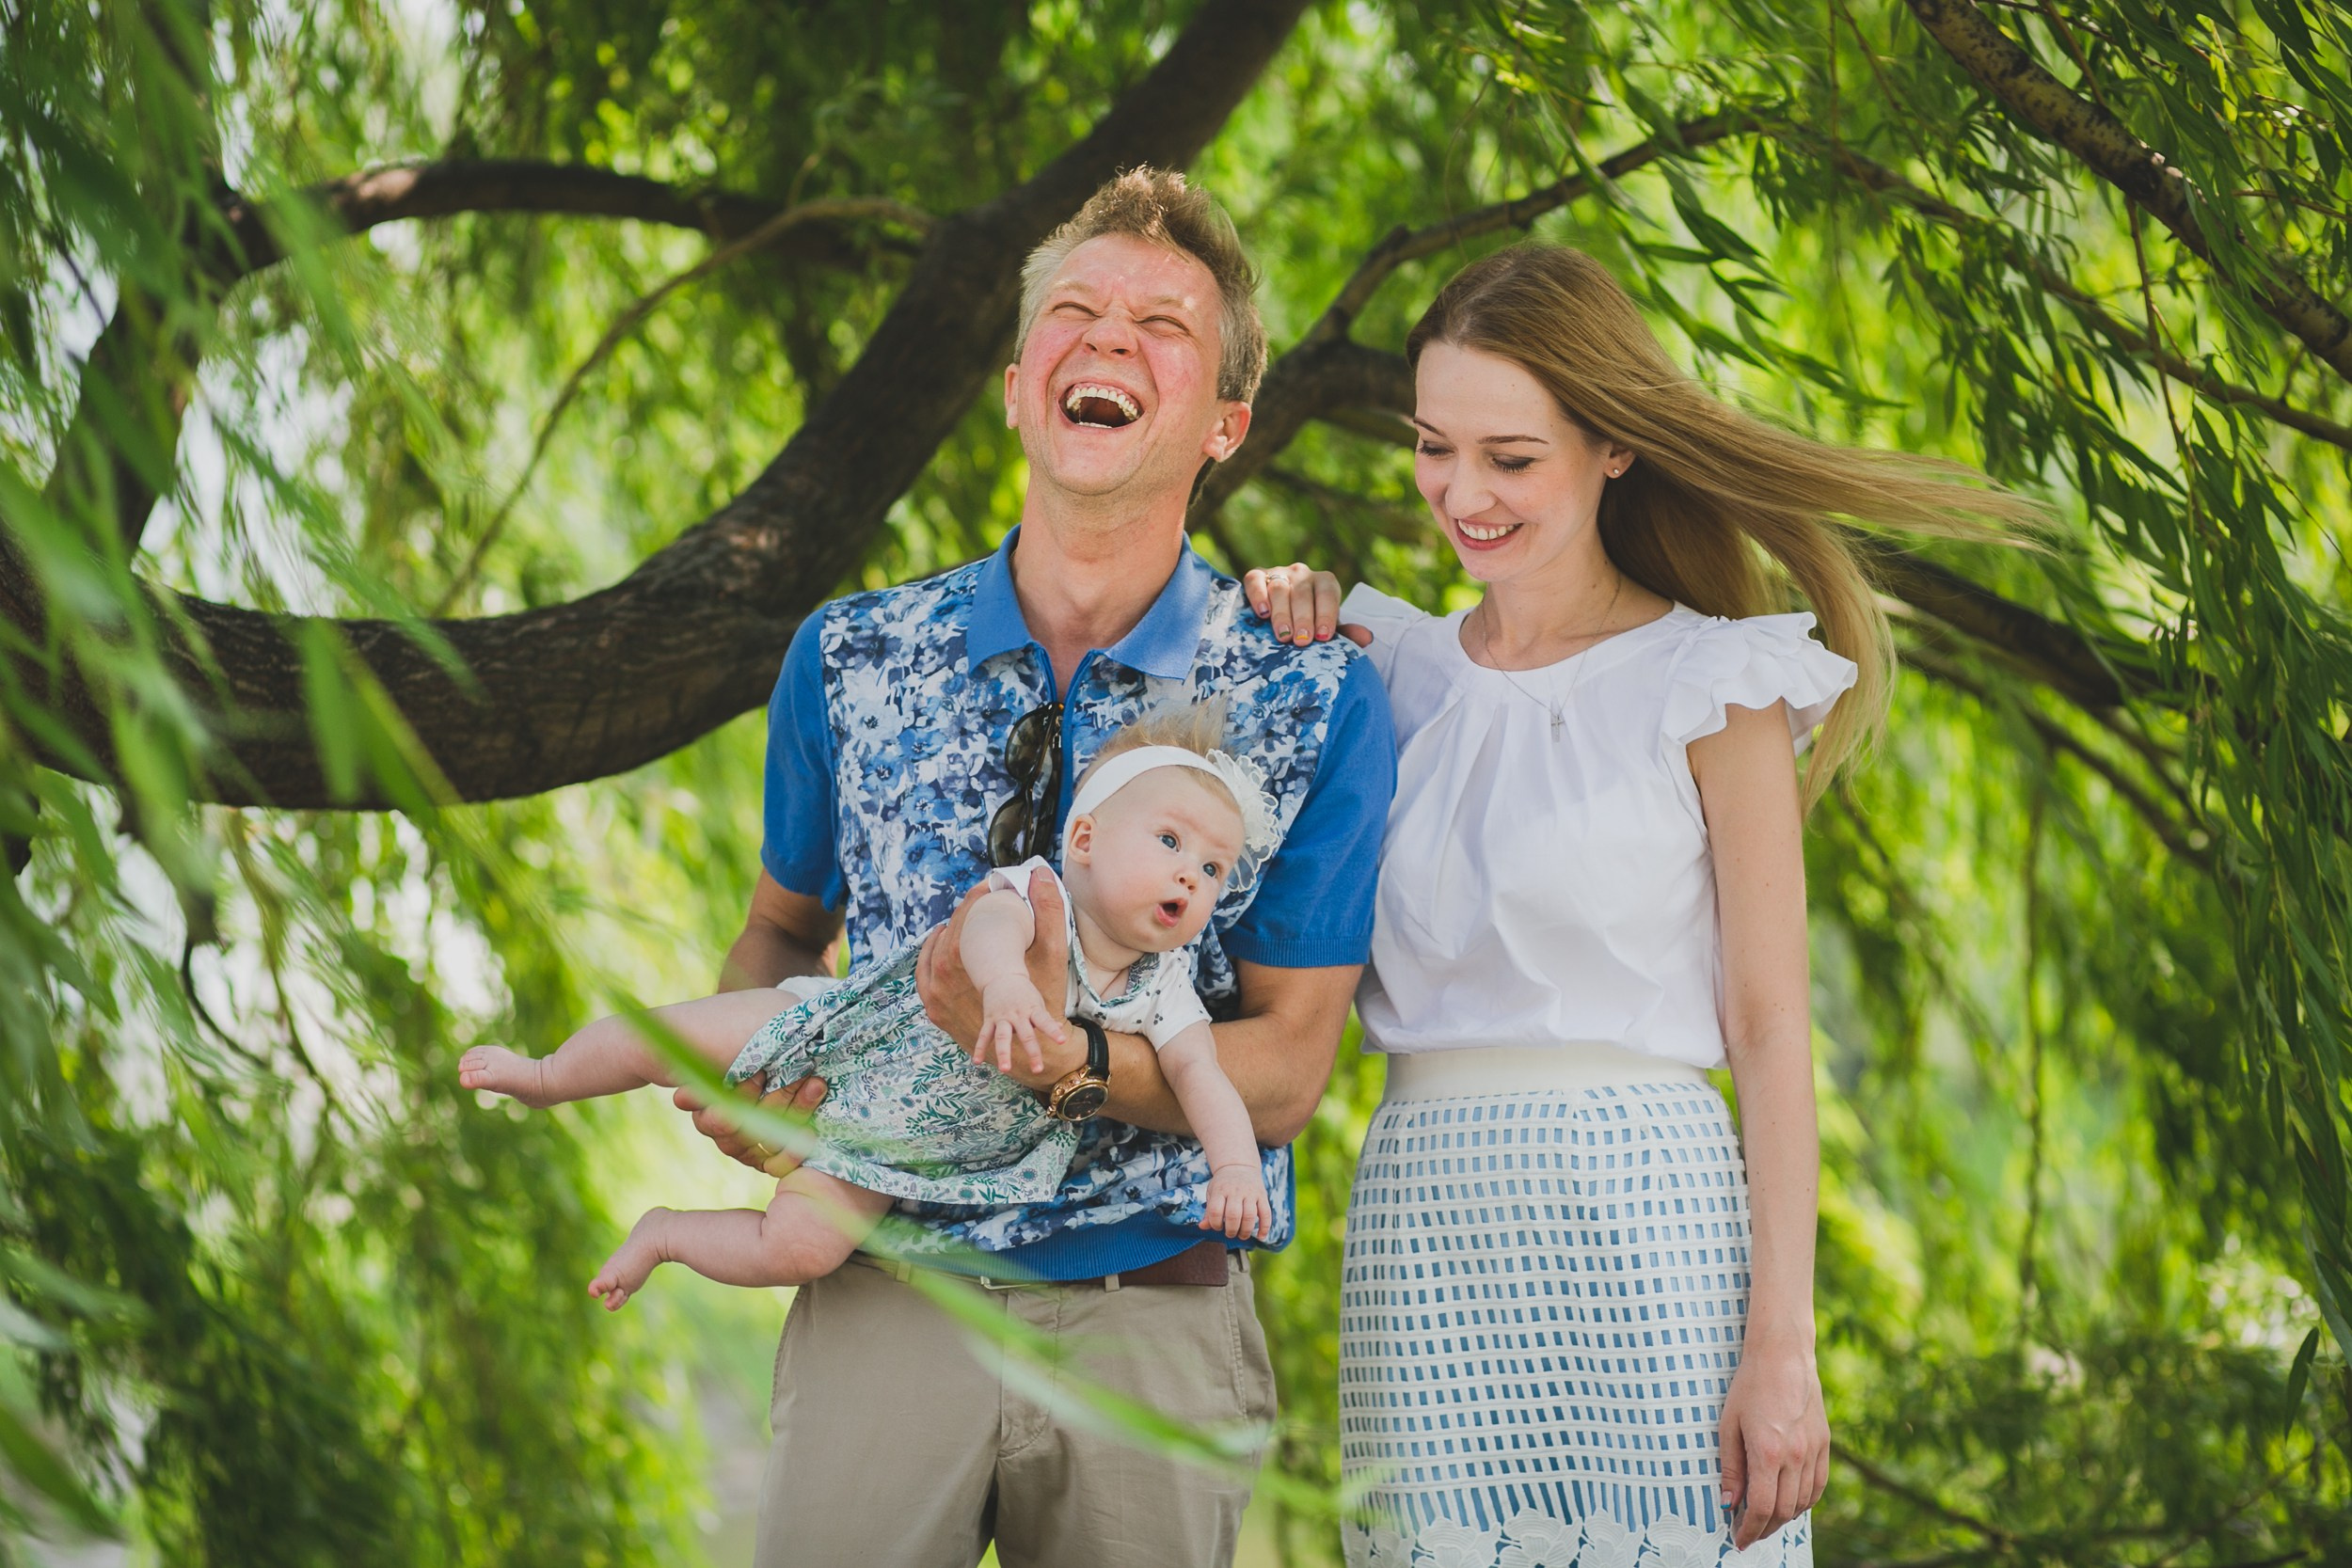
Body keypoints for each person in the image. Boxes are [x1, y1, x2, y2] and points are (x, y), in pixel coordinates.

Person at [1245, 243, 2032, 1568]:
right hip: (1428, 1225)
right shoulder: (1380, 670)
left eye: (1511, 456)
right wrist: (1277, 623)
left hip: (1648, 1223)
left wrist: (1784, 1346)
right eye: (1437, 447)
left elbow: (1776, 1028)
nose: (1461, 493)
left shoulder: (1715, 682)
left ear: (1613, 445)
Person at [680, 168, 1395, 1568]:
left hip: (1155, 1319)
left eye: (1162, 326)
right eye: (1075, 310)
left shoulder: (1314, 694)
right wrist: (759, 1076)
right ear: (1019, 387)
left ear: (1226, 425)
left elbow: (1293, 1065)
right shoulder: (846, 654)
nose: (1109, 337)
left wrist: (1062, 1057)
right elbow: (774, 935)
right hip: (883, 1291)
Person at [456, 704, 1284, 1309]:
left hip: (903, 1146)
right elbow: (986, 930)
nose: (1190, 876)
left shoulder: (1161, 986)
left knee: (802, 1246)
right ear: (1086, 840)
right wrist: (1002, 986)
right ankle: (546, 1072)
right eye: (1172, 842)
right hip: (846, 1033)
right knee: (668, 1038)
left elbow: (1199, 1074)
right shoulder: (1041, 894)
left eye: (1213, 869)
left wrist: (1237, 1167)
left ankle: (668, 1233)